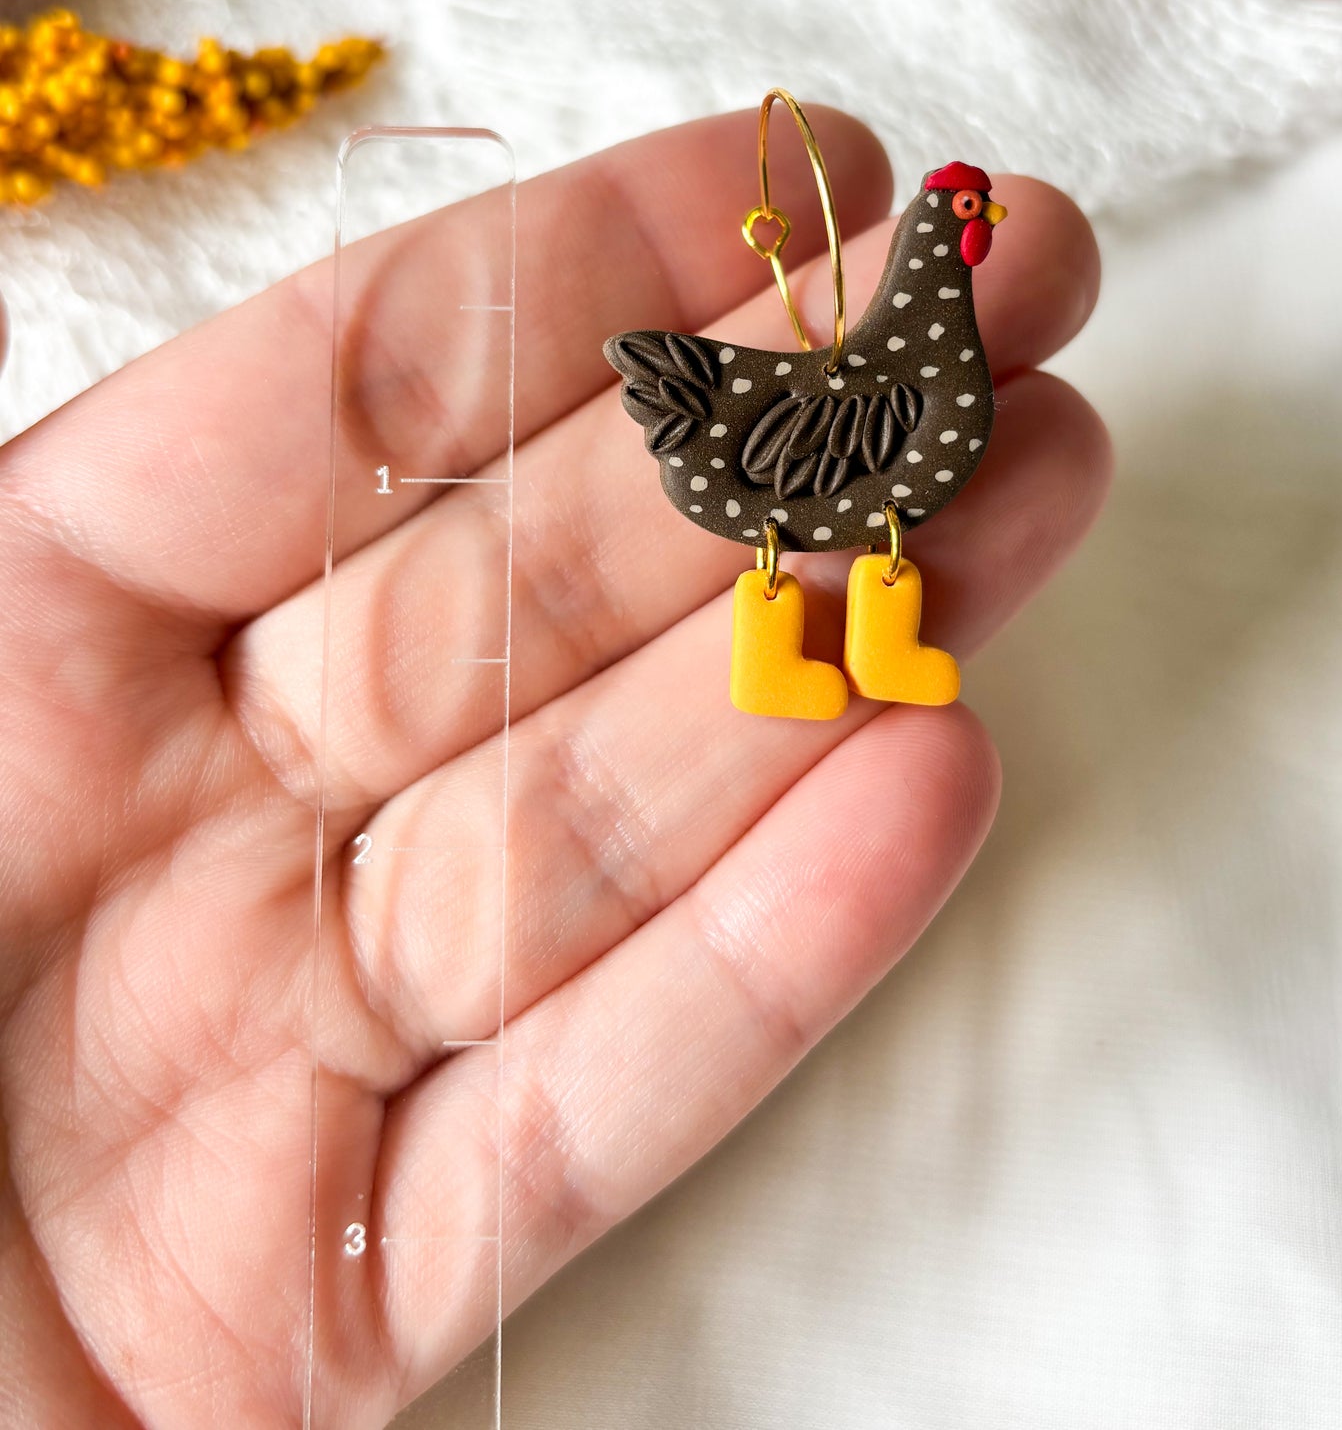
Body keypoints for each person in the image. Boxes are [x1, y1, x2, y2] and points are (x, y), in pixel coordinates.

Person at [0, 107, 1107, 1426]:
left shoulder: (923, 354)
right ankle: (779, 663)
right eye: (964, 231)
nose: (972, 242)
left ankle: (858, 649)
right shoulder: (892, 376)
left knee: (877, 529)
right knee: (819, 532)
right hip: (764, 453)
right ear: (948, 243)